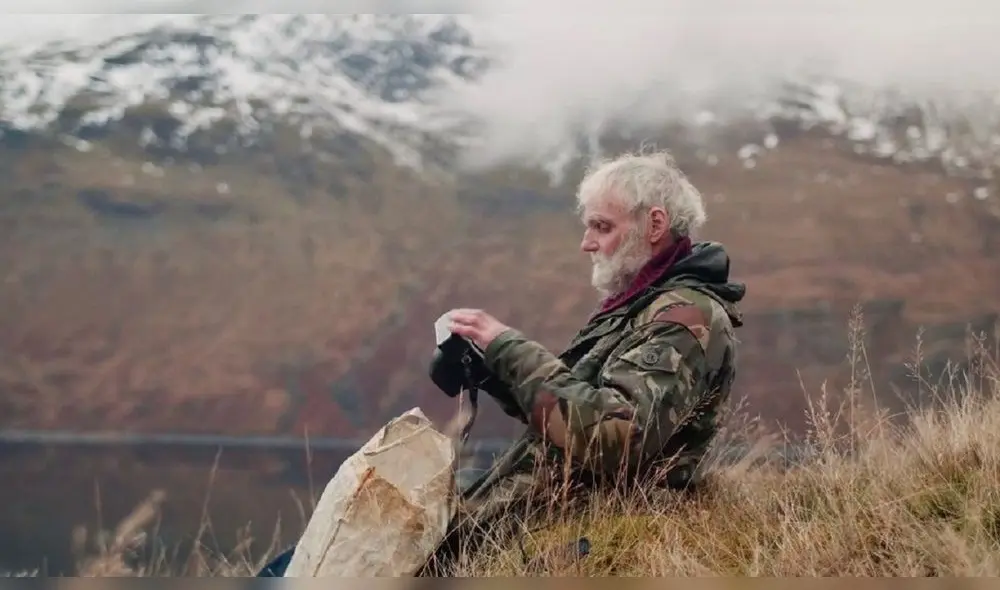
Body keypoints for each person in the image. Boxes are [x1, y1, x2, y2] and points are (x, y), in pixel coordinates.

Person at [421, 149, 746, 574]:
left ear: (655, 224)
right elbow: (574, 419)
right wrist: (490, 371)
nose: (587, 243)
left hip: (591, 534)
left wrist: (509, 348)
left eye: (602, 226)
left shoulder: (685, 317)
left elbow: (615, 438)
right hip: (549, 519)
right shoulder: (636, 306)